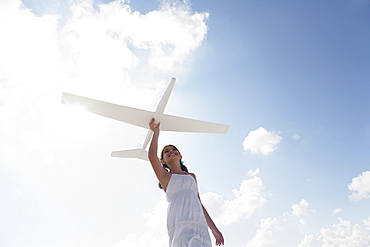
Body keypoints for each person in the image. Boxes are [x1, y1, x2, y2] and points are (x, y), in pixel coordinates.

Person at [148, 118, 224, 247]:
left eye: (173, 149)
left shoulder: (192, 177)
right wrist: (155, 133)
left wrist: (214, 230)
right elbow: (151, 156)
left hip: (198, 224)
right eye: (166, 151)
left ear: (180, 156)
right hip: (180, 223)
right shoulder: (165, 176)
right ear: (163, 161)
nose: (171, 151)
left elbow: (199, 203)